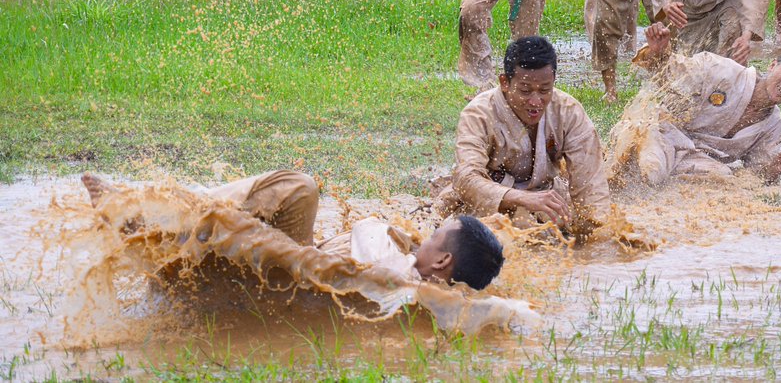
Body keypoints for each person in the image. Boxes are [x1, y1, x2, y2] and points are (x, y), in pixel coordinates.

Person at [81, 169, 507, 290]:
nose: (425, 235)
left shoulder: (403, 279)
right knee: (244, 213)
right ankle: (158, 217)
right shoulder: (415, 268)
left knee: (299, 189)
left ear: (443, 260)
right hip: (301, 259)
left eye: (435, 235)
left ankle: (143, 216)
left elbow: (366, 248)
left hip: (293, 272)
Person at [436, 36, 612, 235]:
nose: (536, 102)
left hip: (546, 197)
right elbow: (466, 179)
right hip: (489, 201)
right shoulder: (478, 114)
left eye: (545, 90)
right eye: (525, 90)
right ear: (505, 82)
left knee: (566, 232)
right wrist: (521, 198)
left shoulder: (569, 112)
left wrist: (598, 232)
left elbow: (591, 185)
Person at [610, 21, 781, 186]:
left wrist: (774, 169)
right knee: (652, 172)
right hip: (662, 135)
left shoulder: (773, 126)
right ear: (773, 65)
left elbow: (755, 171)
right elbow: (673, 72)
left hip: (696, 159)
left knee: (725, 180)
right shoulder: (722, 71)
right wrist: (658, 52)